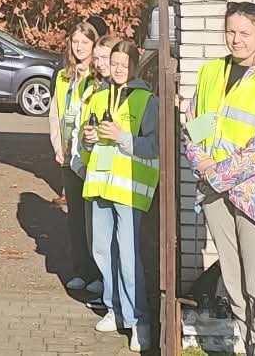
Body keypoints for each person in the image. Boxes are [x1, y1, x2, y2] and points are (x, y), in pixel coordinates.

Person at [184, 2, 255, 355]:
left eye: (245, 33)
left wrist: (218, 173)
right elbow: (194, 126)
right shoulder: (211, 72)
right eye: (230, 31)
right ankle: (246, 348)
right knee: (234, 284)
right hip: (216, 196)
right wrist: (200, 162)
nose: (236, 39)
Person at [80, 39, 159, 352]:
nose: (117, 69)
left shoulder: (147, 101)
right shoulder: (98, 97)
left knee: (128, 257)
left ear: (135, 67)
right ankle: (115, 309)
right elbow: (87, 141)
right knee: (102, 250)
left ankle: (139, 320)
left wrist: (121, 137)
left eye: (124, 65)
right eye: (113, 64)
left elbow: (154, 146)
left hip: (128, 188)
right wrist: (88, 140)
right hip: (100, 185)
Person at [49, 21, 101, 293]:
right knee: (75, 218)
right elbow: (55, 113)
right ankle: (81, 270)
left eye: (85, 42)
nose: (79, 47)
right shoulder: (63, 76)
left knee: (94, 219)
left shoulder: (98, 78)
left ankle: (98, 274)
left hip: (90, 156)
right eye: (75, 42)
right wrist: (58, 145)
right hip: (68, 154)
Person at [69, 31, 119, 304]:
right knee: (98, 241)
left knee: (115, 243)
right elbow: (81, 127)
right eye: (96, 58)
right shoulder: (94, 89)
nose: (99, 64)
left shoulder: (126, 92)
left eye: (104, 58)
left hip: (117, 177)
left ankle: (114, 298)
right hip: (92, 172)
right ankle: (107, 293)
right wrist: (79, 161)